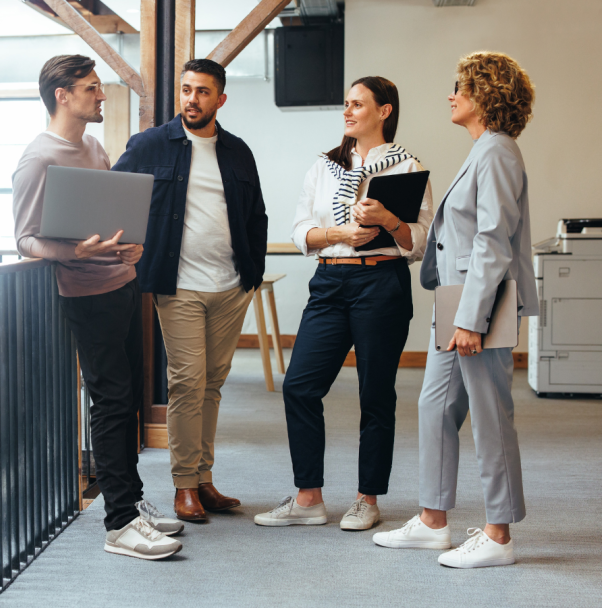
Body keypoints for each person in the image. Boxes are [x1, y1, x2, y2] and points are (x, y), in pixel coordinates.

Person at [12, 54, 183, 560]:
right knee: (110, 403)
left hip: (124, 283)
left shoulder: (91, 145)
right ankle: (120, 524)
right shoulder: (38, 158)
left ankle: (129, 503)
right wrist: (75, 253)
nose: (101, 95)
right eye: (91, 88)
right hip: (86, 295)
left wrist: (133, 246)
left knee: (126, 401)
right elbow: (24, 239)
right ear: (62, 95)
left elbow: (114, 215)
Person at [373, 52, 538, 569]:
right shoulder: (482, 151)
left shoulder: (498, 152)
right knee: (434, 407)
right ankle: (431, 521)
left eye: (460, 87)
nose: (451, 95)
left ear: (486, 96)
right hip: (455, 298)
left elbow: (493, 240)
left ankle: (499, 535)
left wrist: (471, 317)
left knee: (490, 417)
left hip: (479, 301)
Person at [255, 77, 432, 531]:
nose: (348, 112)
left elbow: (420, 246)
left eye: (358, 104)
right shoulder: (324, 166)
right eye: (346, 104)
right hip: (330, 281)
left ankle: (367, 499)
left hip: (381, 282)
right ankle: (308, 497)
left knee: (375, 394)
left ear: (385, 111)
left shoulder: (408, 167)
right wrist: (339, 234)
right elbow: (301, 232)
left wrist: (389, 219)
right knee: (299, 385)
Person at [112, 59, 268, 522]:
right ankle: (184, 486)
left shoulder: (237, 151)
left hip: (230, 286)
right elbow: (116, 198)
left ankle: (204, 480)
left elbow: (255, 215)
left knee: (212, 386)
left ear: (220, 99)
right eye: (185, 90)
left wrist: (251, 274)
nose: (191, 100)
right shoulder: (149, 146)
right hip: (178, 285)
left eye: (202, 92)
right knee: (186, 384)